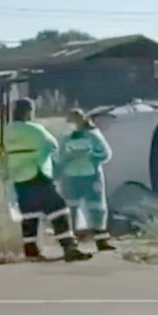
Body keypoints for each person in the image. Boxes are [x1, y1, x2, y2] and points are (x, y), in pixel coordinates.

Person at [3, 98, 93, 262]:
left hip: (19, 177)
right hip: (38, 174)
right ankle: (69, 247)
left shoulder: (8, 130)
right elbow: (52, 145)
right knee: (58, 208)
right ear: (29, 112)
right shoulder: (35, 129)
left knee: (30, 214)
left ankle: (31, 251)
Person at [58, 108, 115, 252]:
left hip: (91, 176)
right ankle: (73, 242)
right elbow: (59, 157)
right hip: (71, 178)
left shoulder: (93, 135)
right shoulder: (65, 137)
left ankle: (101, 241)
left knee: (97, 208)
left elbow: (106, 153)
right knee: (71, 209)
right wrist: (66, 161)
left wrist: (89, 157)